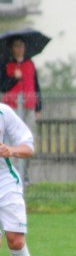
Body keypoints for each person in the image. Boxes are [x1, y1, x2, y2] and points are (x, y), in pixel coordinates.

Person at [0, 103, 35, 256]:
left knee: (16, 241)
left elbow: (28, 146)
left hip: (5, 182)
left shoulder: (4, 112)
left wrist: (10, 149)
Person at [0, 36, 42, 186]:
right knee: (11, 142)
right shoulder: (6, 64)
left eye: (21, 46)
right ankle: (12, 173)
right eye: (16, 46)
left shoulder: (30, 64)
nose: (19, 49)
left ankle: (24, 175)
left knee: (26, 141)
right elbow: (3, 86)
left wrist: (39, 106)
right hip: (12, 107)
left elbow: (36, 86)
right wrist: (14, 79)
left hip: (29, 106)